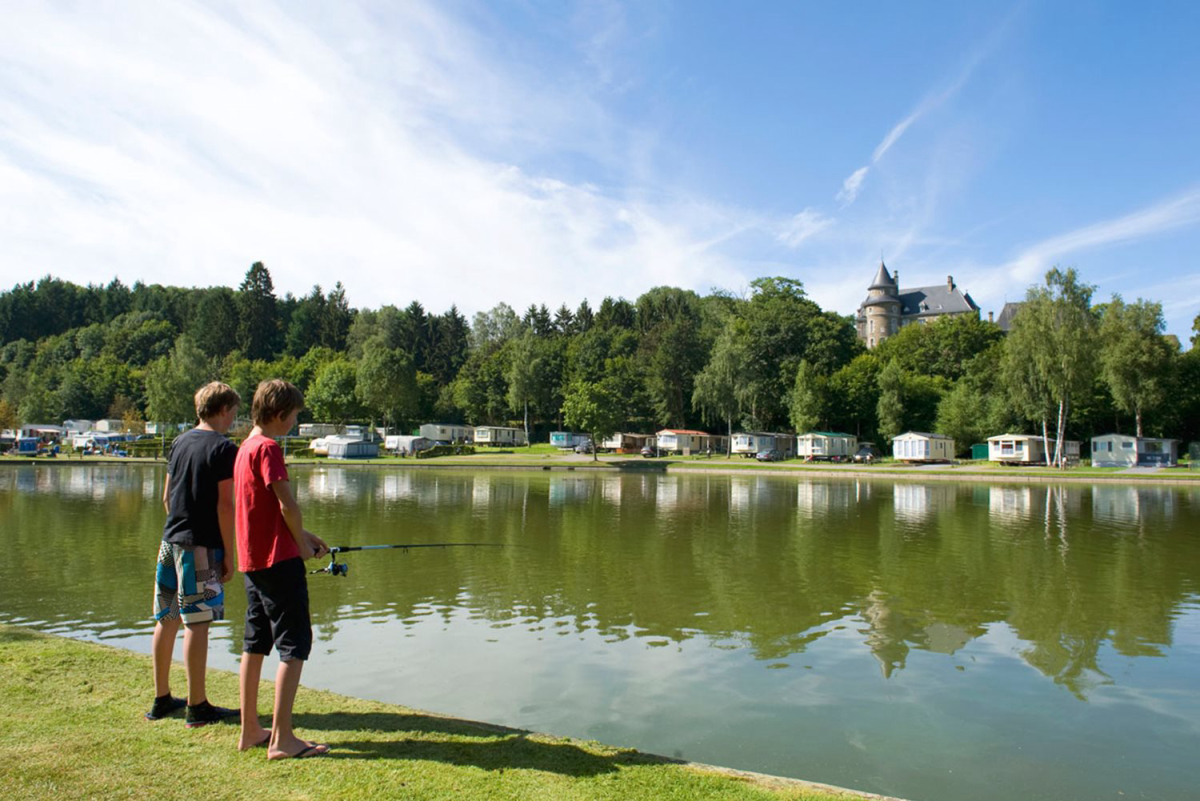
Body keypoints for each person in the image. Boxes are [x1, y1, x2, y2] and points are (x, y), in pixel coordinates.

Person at [234, 379, 331, 758]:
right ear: (278, 414)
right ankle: (282, 739)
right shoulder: (270, 449)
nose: (293, 422)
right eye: (292, 415)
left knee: (255, 642)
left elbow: (266, 511)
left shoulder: (245, 448)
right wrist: (301, 549)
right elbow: (287, 505)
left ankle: (250, 730)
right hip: (279, 563)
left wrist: (303, 536)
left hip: (253, 562)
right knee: (294, 646)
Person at [147, 382, 242, 727]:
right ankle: (198, 705)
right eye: (233, 410)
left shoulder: (179, 442)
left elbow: (167, 499)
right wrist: (228, 553)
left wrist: (178, 526)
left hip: (169, 542)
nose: (233, 417)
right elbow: (225, 505)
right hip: (200, 547)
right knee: (197, 624)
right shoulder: (224, 448)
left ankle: (161, 699)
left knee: (167, 619)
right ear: (223, 410)